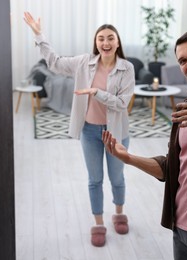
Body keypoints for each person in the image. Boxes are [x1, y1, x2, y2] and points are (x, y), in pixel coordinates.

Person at [102, 30, 187, 259]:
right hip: (180, 229)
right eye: (183, 60)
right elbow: (172, 167)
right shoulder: (186, 105)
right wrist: (128, 158)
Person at [23, 12, 135, 247]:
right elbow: (53, 62)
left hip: (116, 131)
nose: (105, 43)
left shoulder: (127, 68)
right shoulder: (84, 62)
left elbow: (123, 102)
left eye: (110, 38)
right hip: (90, 132)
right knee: (95, 179)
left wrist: (97, 93)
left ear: (118, 42)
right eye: (101, 38)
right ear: (96, 42)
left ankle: (119, 211)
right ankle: (98, 222)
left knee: (117, 178)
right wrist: (38, 33)